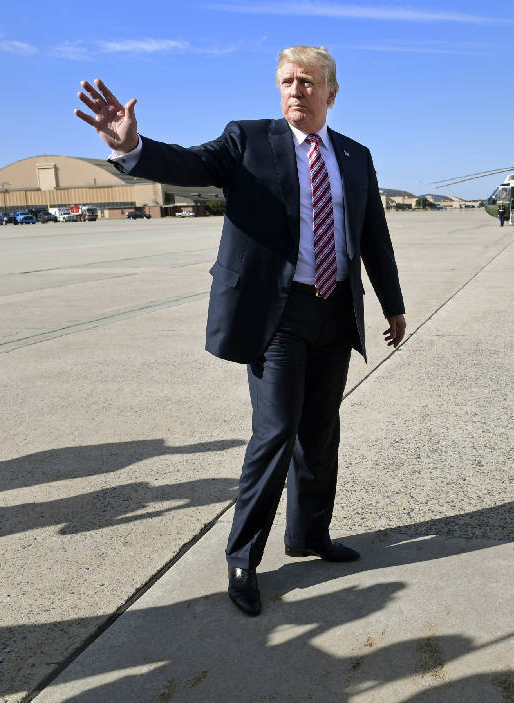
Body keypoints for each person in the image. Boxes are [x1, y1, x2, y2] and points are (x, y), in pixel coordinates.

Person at [74, 46, 407, 615]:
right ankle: (243, 557)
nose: (295, 90)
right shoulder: (248, 140)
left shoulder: (354, 155)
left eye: (306, 82)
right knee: (275, 433)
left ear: (331, 91)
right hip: (276, 316)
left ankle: (308, 535)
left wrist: (392, 305)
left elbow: (372, 234)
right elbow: (188, 165)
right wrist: (130, 146)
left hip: (334, 311)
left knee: (321, 433)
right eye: (286, 82)